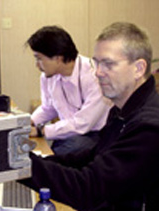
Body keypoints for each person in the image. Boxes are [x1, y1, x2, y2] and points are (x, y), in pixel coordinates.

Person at [21, 22, 159, 211]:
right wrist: (33, 162)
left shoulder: (151, 129)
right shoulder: (124, 110)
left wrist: (20, 166)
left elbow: (89, 190)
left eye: (108, 64)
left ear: (139, 69)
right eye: (96, 63)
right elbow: (93, 157)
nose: (98, 72)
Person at [27, 26, 112, 155]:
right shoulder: (48, 76)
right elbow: (48, 108)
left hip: (95, 134)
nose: (37, 65)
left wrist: (41, 131)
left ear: (58, 58)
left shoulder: (94, 75)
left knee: (68, 149)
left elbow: (84, 123)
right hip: (70, 132)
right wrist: (28, 123)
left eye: (39, 58)